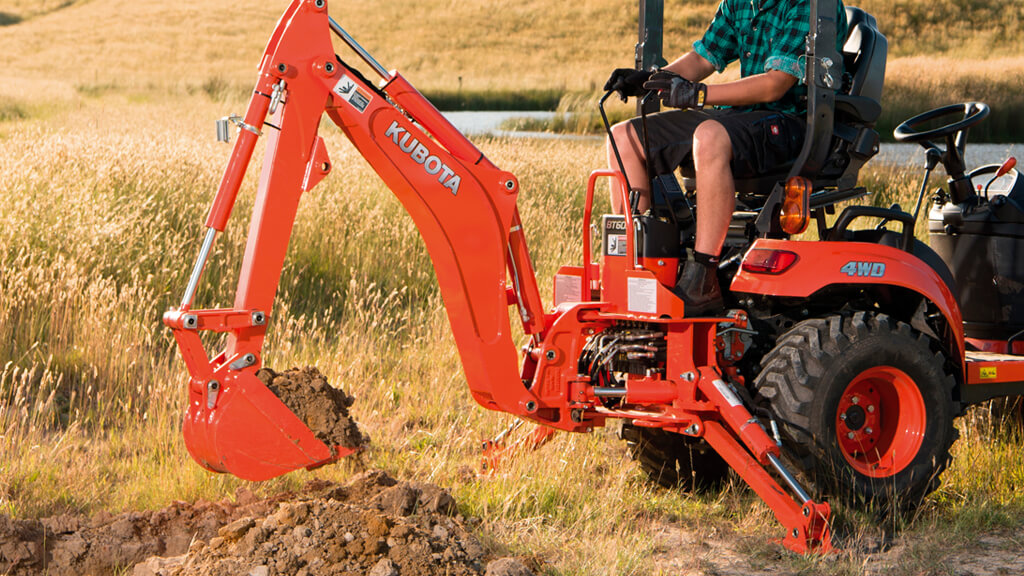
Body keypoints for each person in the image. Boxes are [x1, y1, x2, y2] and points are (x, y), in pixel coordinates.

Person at [604, 0, 847, 315]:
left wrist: (699, 95)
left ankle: (703, 277)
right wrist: (650, 79)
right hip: (742, 118)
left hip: (791, 124)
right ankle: (640, 265)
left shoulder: (806, 5)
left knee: (709, 135)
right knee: (624, 138)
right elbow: (703, 57)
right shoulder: (740, 3)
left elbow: (776, 84)